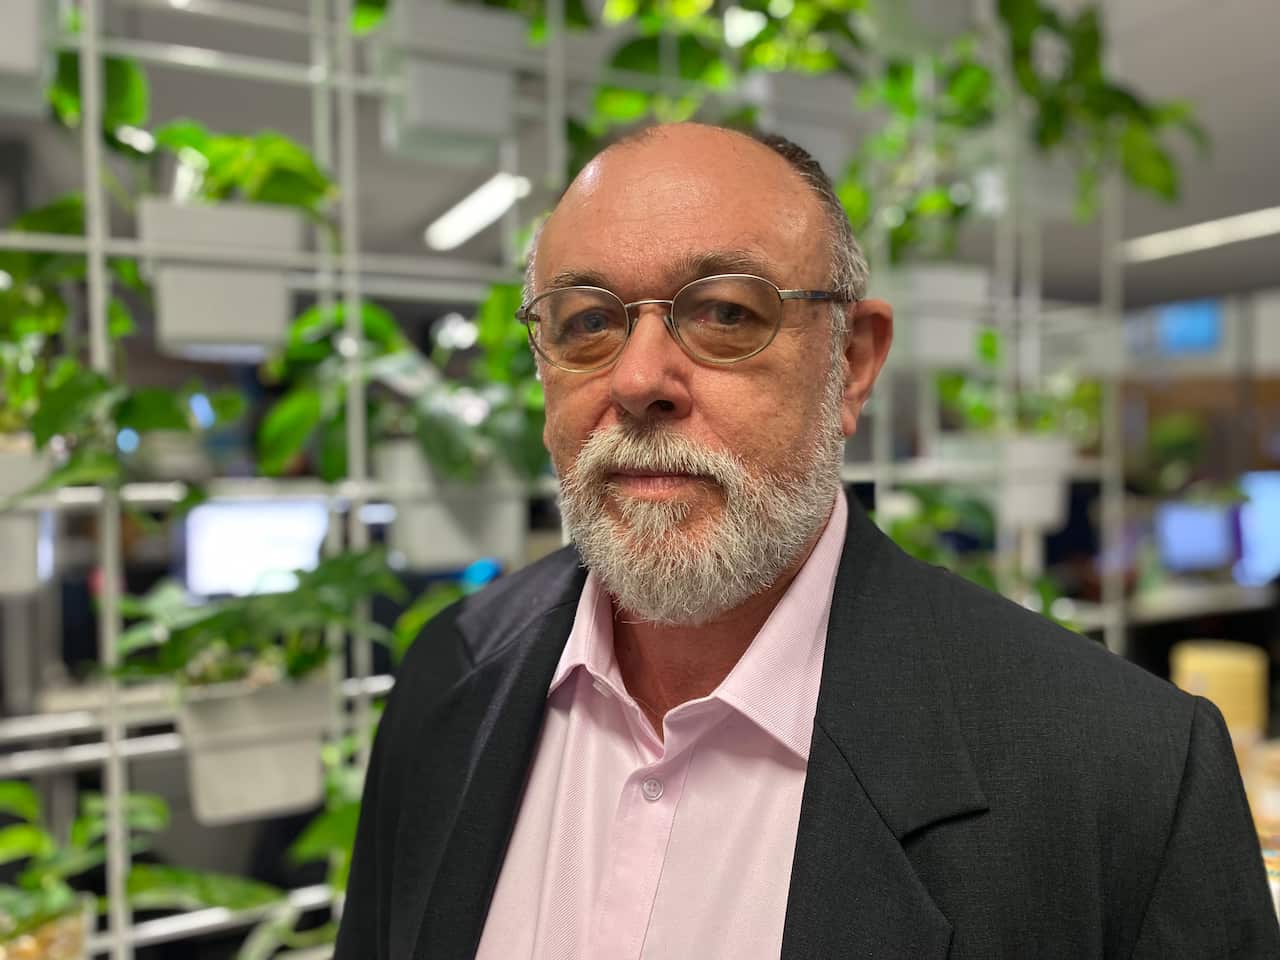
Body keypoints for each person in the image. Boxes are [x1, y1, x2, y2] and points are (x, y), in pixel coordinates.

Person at [335, 123, 1278, 959]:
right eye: (586, 321)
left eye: (724, 314)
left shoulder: (1122, 775)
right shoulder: (446, 681)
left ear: (853, 364)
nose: (638, 378)